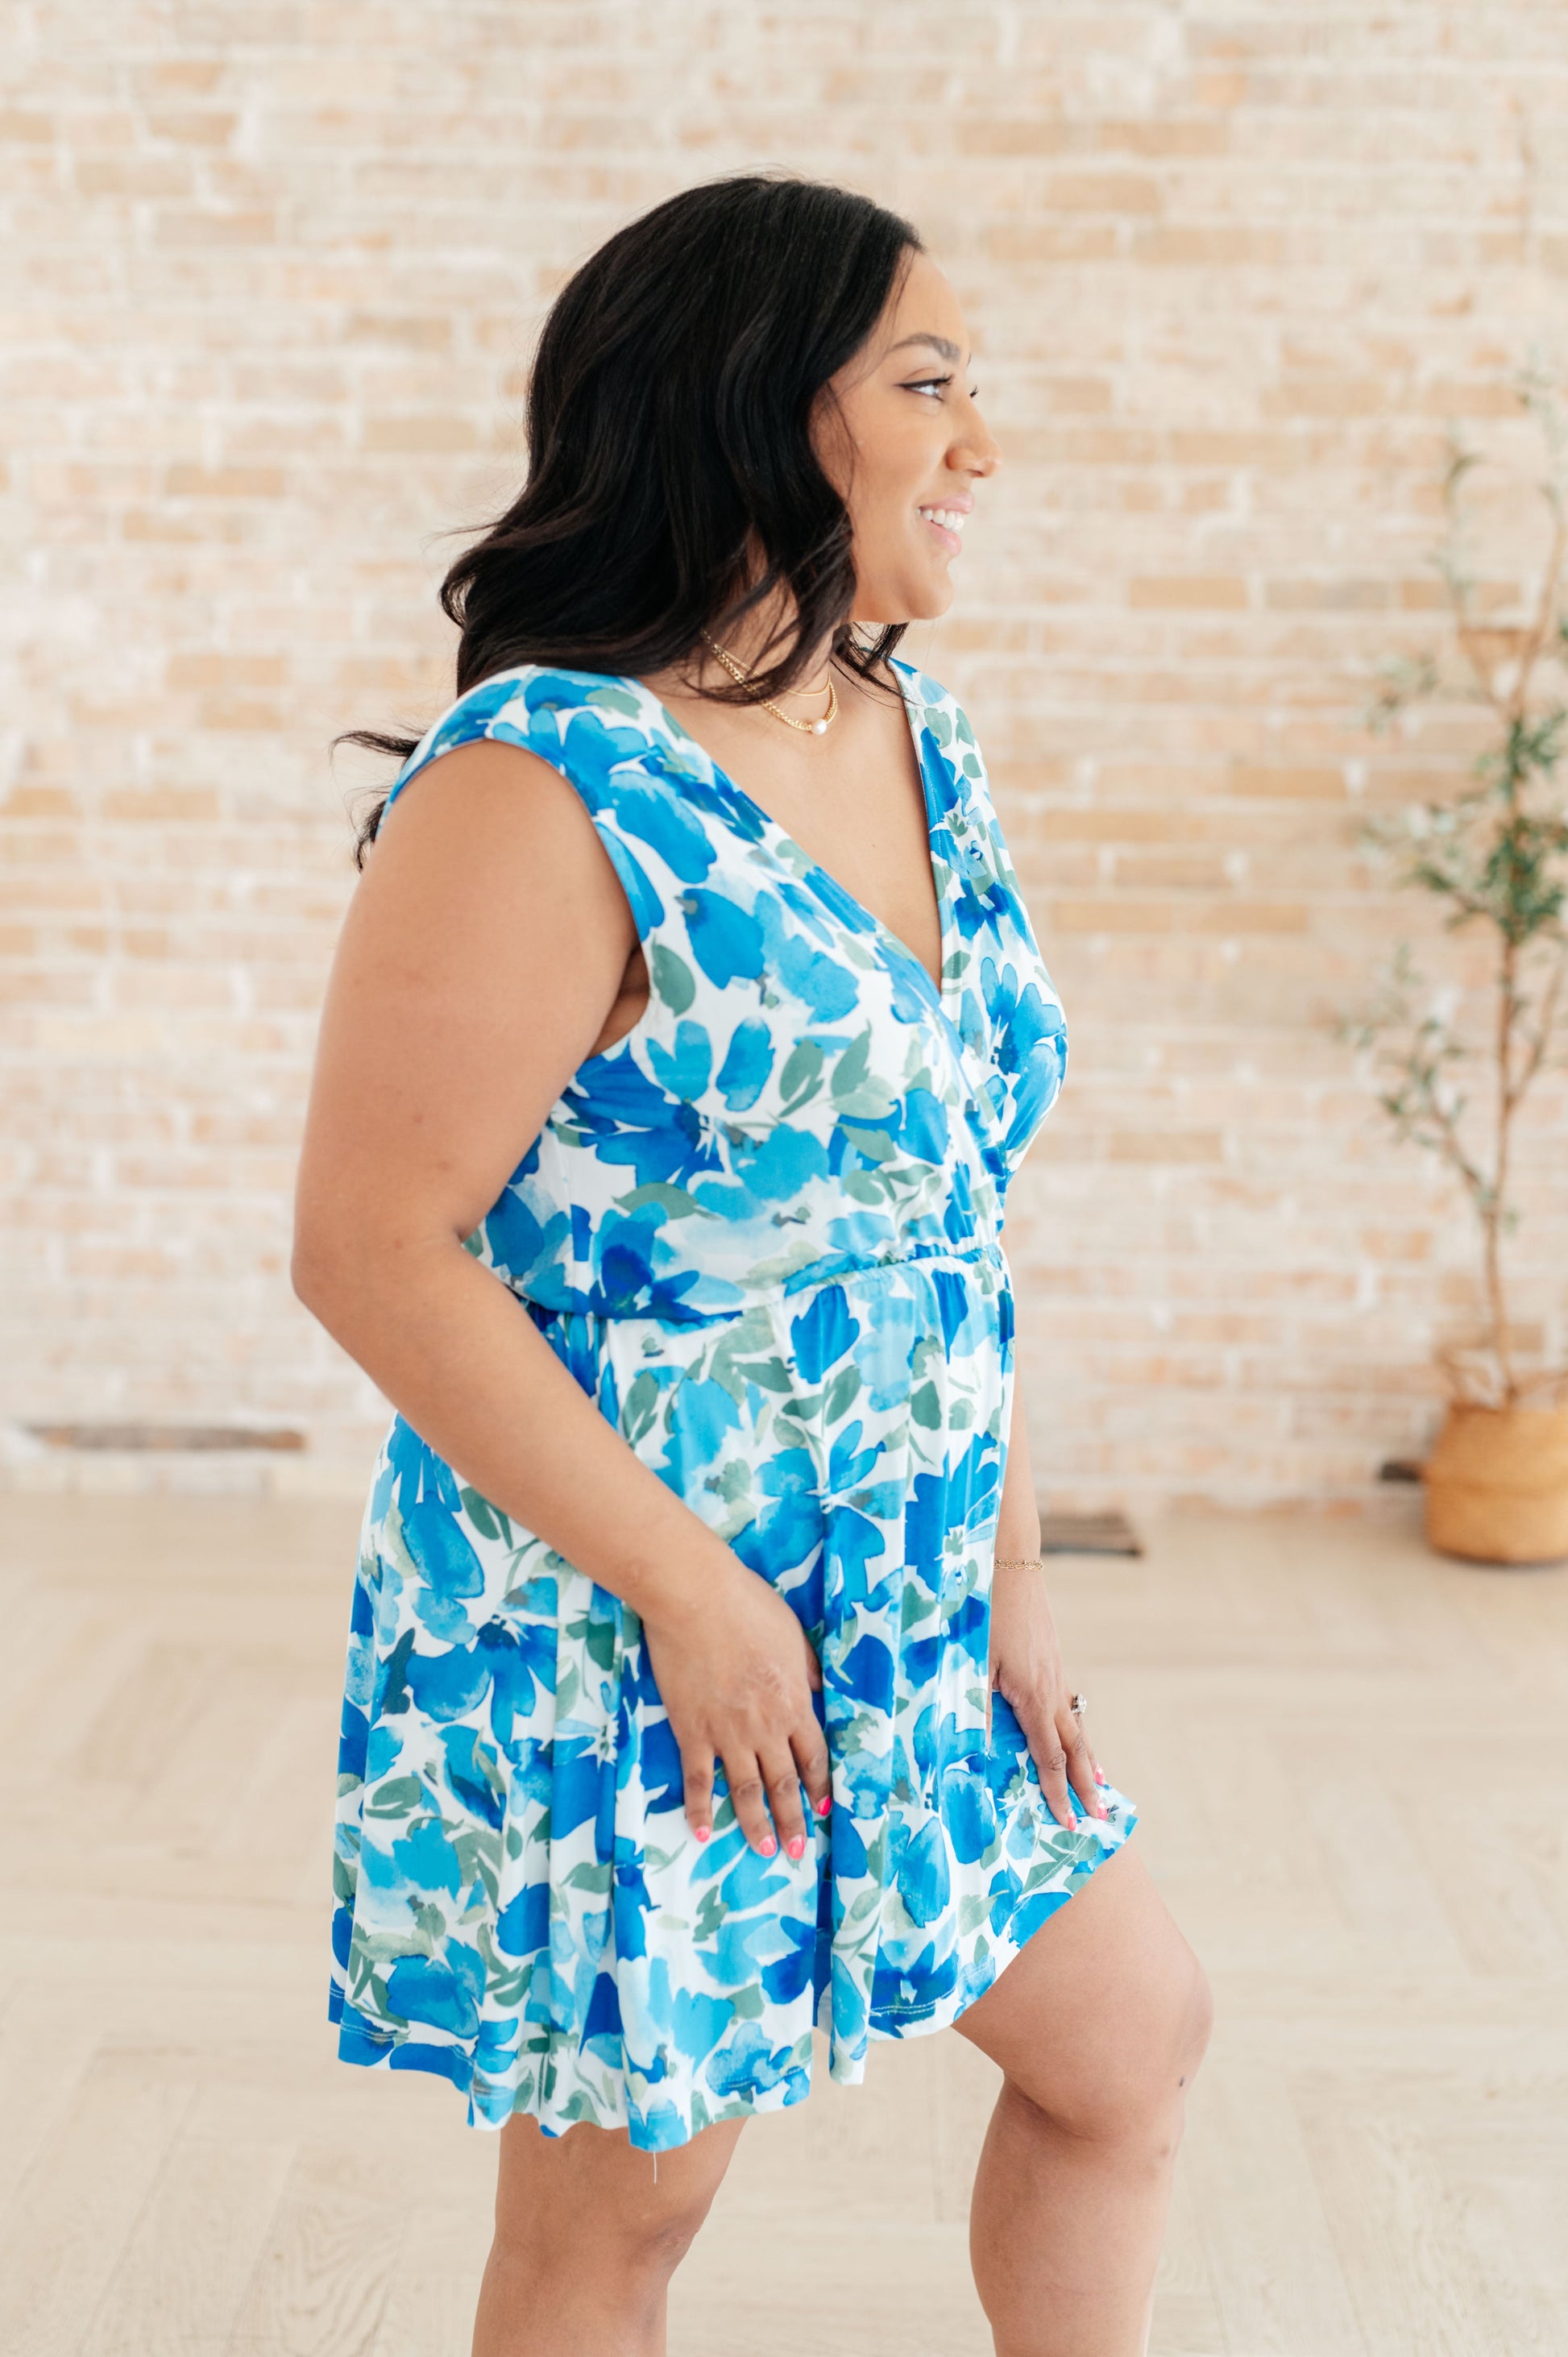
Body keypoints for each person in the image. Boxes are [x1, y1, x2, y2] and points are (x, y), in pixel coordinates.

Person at [294, 172, 1211, 2357]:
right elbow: (372, 1250)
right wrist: (692, 1598)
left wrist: (1006, 1574)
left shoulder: (906, 730)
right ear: (756, 406)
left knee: (1128, 2039)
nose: (981, 444)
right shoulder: (545, 779)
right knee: (620, 2226)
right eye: (928, 382)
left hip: (904, 1592)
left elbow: (950, 1205)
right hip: (636, 1617)